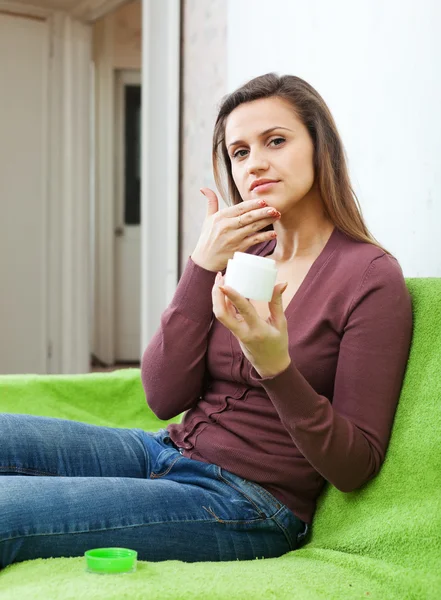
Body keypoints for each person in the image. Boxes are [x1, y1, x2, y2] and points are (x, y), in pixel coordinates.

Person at [0, 73, 413, 569]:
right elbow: (163, 397)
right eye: (239, 153)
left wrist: (276, 368)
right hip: (167, 450)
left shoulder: (371, 277)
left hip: (249, 502)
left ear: (320, 147)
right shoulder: (247, 254)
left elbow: (356, 465)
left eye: (276, 141)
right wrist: (200, 265)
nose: (255, 162)